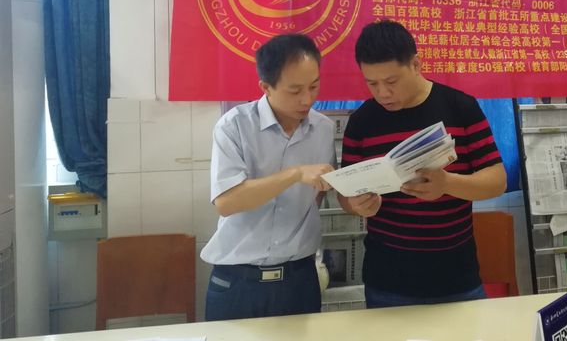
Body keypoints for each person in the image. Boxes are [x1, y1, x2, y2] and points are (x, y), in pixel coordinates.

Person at [338, 20, 507, 308]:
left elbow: (497, 181)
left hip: (457, 277)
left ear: (416, 64)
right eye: (372, 83)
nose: (382, 93)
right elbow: (345, 196)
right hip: (387, 281)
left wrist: (448, 183)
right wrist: (356, 205)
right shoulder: (362, 122)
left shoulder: (460, 107)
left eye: (391, 82)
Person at [200, 34, 336, 320]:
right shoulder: (234, 126)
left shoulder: (323, 129)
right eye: (294, 90)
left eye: (314, 86)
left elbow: (319, 191)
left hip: (299, 281)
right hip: (238, 282)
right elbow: (226, 202)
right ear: (266, 87)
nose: (307, 98)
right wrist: (295, 174)